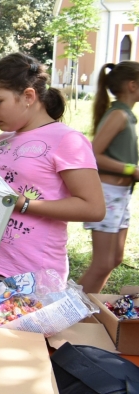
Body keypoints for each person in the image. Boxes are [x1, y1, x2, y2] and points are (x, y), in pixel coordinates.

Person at [0, 52, 104, 302]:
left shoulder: (67, 140)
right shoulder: (4, 139)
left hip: (32, 275)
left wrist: (25, 204)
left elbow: (93, 207)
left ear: (28, 96)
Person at [79, 61, 139, 293]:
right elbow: (94, 155)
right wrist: (131, 170)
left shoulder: (126, 115)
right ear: (132, 85)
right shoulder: (118, 115)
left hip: (121, 195)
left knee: (114, 259)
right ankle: (70, 309)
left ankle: (91, 306)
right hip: (108, 195)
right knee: (102, 262)